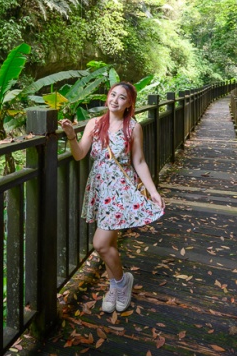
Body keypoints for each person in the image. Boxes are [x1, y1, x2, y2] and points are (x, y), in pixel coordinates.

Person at [59, 82, 165, 314]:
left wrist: (153, 191)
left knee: (100, 243)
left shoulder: (133, 127)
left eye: (122, 97)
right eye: (113, 94)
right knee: (110, 243)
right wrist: (70, 136)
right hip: (100, 188)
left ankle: (121, 282)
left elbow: (139, 162)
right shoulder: (95, 124)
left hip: (121, 191)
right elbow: (79, 155)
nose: (115, 100)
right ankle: (114, 288)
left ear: (129, 103)